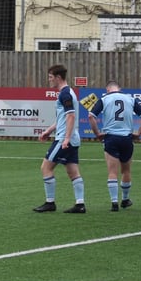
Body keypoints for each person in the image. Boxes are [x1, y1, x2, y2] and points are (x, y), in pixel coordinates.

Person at [88, 80, 141, 211]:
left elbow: (91, 116)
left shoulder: (104, 99)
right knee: (126, 170)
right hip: (126, 138)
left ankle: (114, 203)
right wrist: (139, 133)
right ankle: (125, 199)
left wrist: (97, 133)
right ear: (119, 88)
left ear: (107, 89)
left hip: (111, 138)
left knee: (112, 172)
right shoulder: (129, 99)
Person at [34, 64, 86, 214]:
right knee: (72, 171)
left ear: (58, 77)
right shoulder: (67, 92)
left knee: (45, 167)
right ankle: (80, 204)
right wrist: (48, 130)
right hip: (71, 138)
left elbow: (71, 116)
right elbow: (64, 117)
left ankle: (50, 203)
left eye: (50, 77)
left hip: (65, 138)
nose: (49, 80)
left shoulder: (65, 94)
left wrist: (66, 138)